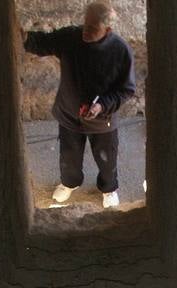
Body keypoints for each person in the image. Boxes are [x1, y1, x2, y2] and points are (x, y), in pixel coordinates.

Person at [23, 2, 136, 209]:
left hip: (102, 120)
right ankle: (70, 183)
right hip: (69, 114)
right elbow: (42, 42)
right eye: (86, 24)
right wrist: (22, 37)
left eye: (93, 28)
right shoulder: (71, 38)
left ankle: (108, 188)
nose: (86, 31)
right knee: (69, 156)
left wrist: (102, 105)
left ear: (107, 30)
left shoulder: (120, 51)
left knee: (106, 159)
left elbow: (126, 90)